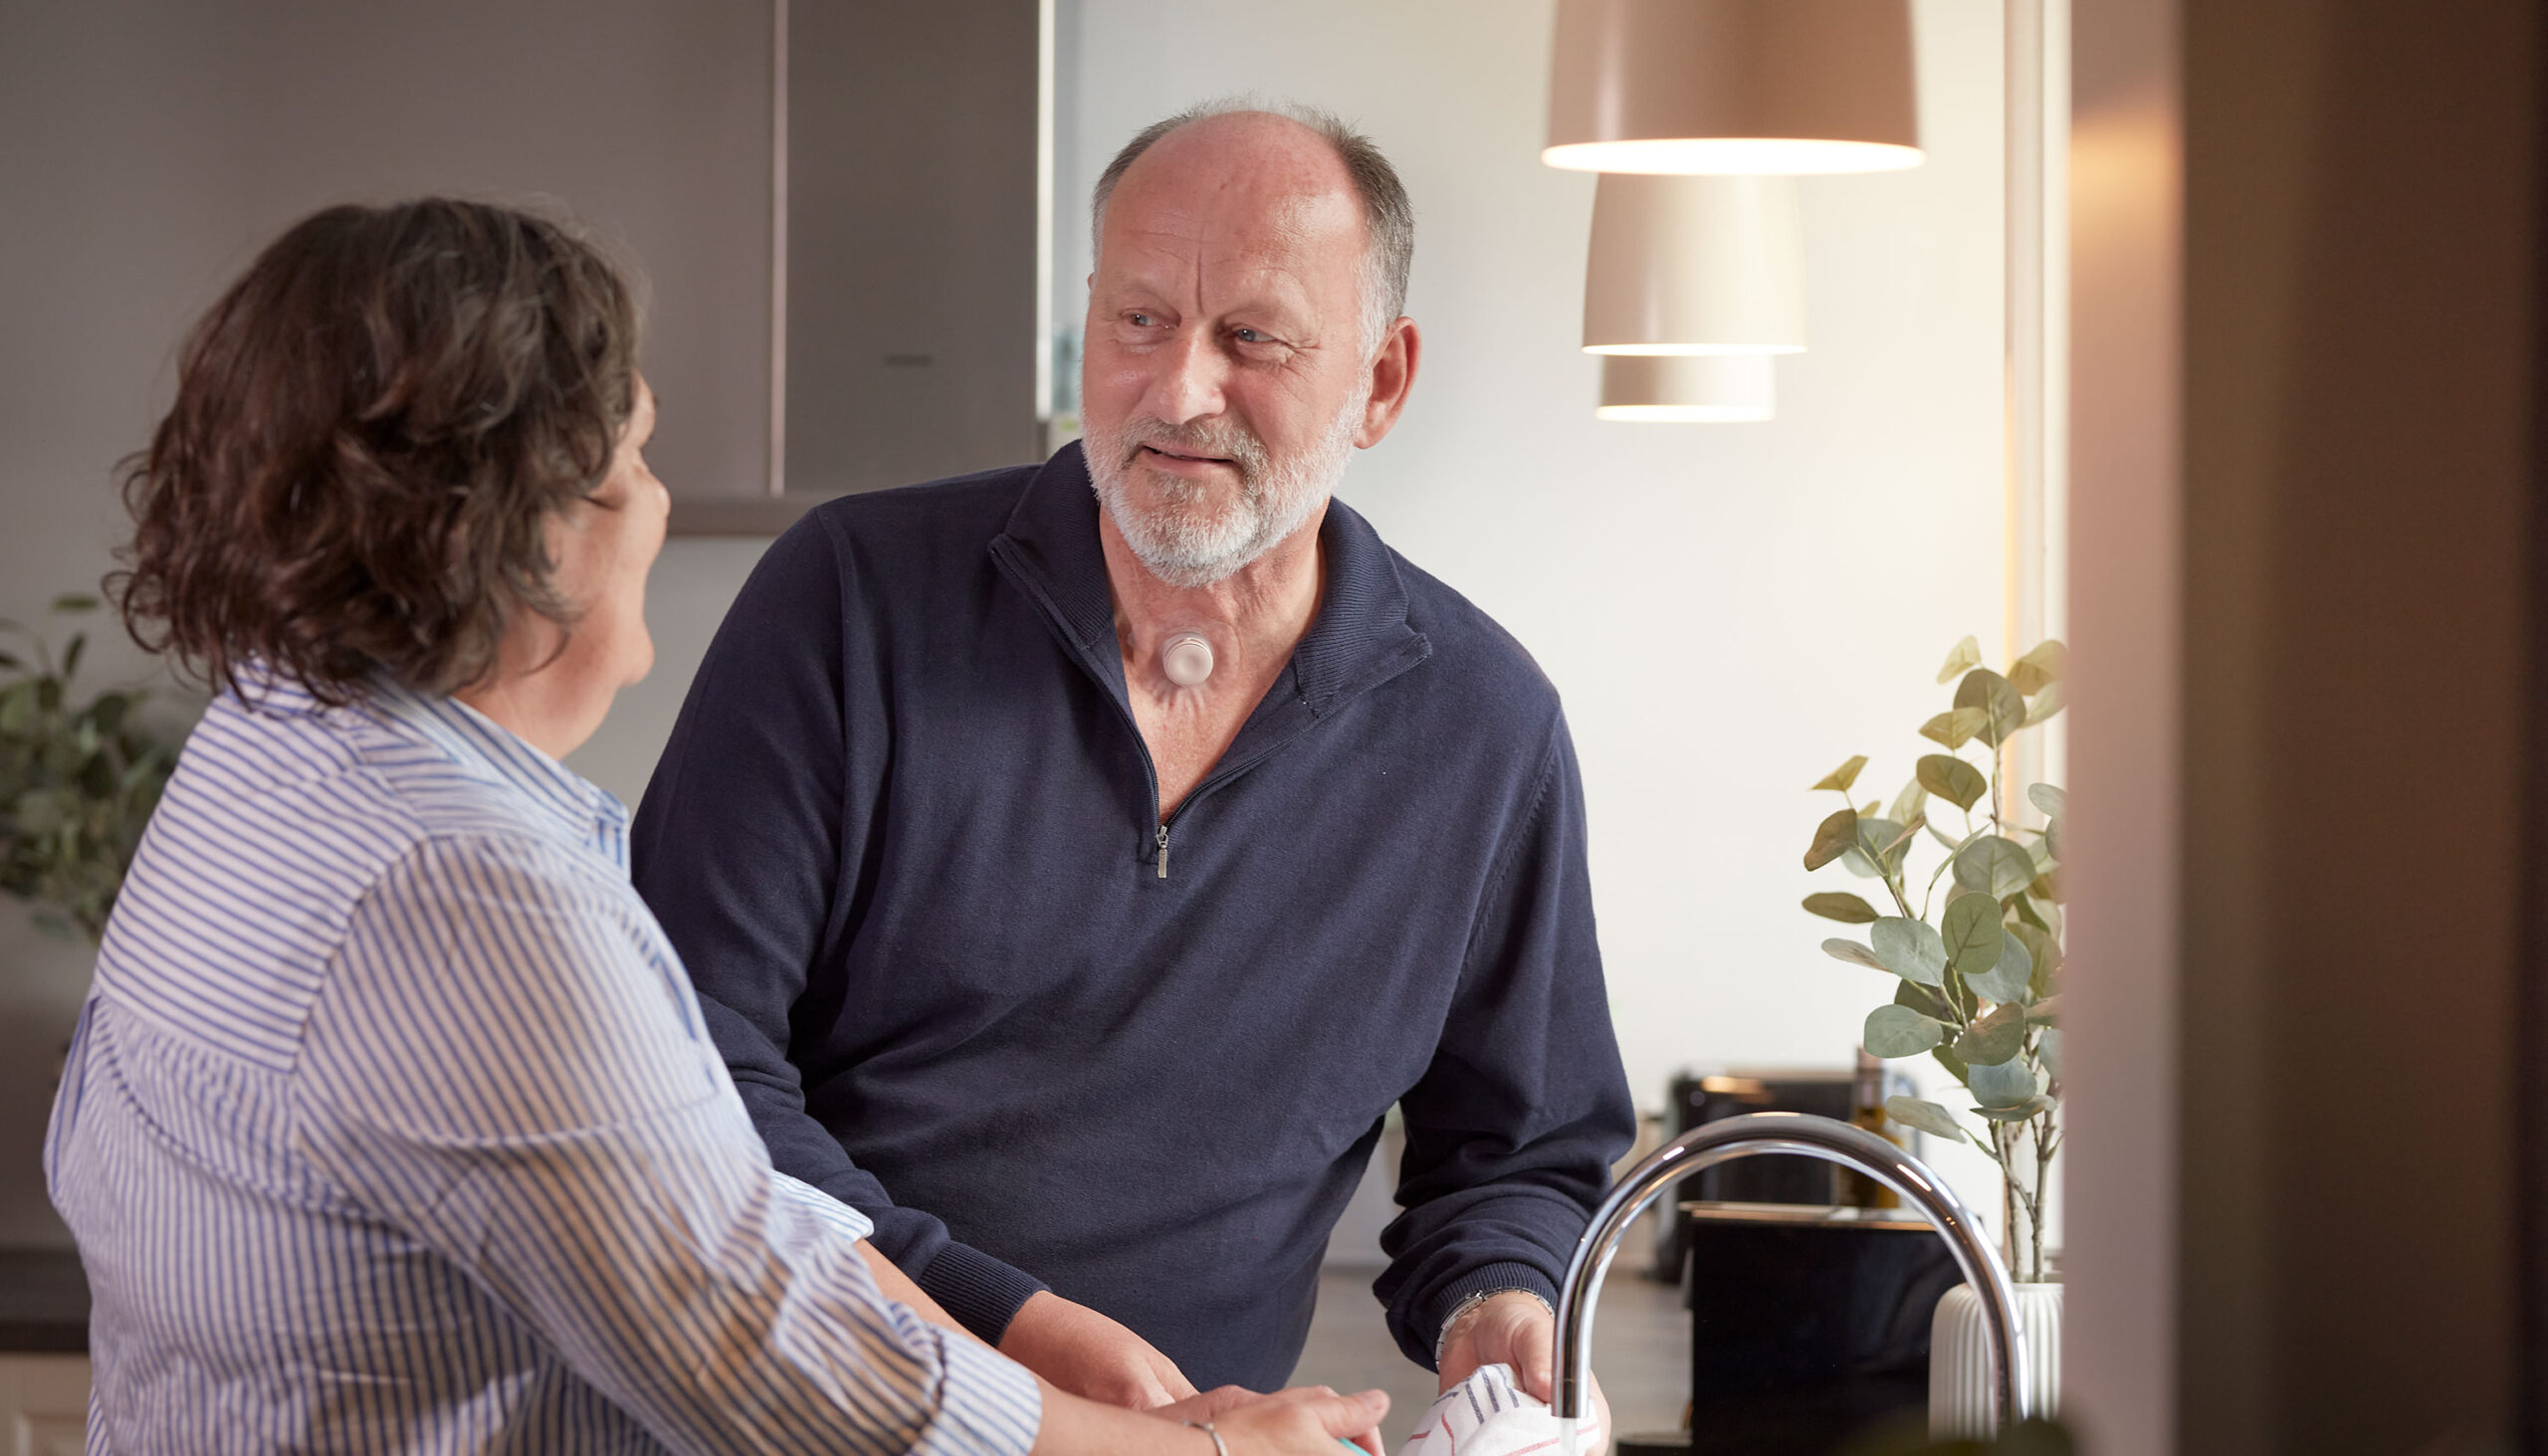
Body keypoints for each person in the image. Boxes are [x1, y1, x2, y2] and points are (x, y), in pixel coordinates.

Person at [47, 197, 1385, 1456]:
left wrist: (1032, 1363)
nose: (660, 504)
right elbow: (766, 1358)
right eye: (632, 458)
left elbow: (706, 1215)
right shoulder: (458, 891)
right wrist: (1185, 1448)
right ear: (512, 529)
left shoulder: (274, 749)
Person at [631, 101, 1635, 1421]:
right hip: (808, 1418)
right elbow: (681, 1072)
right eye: (1139, 322)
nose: (1178, 393)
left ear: (1382, 382)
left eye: (1251, 338)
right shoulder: (850, 599)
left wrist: (1497, 1297)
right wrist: (1012, 1328)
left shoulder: (1484, 726)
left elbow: (1520, 1154)